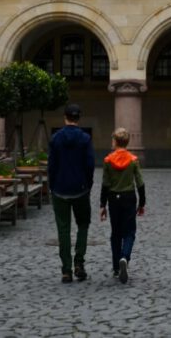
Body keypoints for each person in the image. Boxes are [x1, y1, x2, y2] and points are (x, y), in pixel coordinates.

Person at [48, 103, 95, 284]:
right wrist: (88, 184)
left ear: (65, 117)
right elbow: (90, 165)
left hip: (60, 189)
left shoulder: (56, 138)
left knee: (63, 229)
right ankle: (79, 264)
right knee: (83, 224)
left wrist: (52, 186)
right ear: (79, 118)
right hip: (80, 189)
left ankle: (66, 270)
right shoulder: (85, 139)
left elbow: (52, 166)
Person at [99, 127, 146, 283]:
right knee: (130, 231)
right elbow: (140, 182)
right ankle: (125, 256)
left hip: (113, 198)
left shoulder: (107, 160)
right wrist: (142, 202)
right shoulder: (133, 160)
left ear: (115, 141)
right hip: (128, 197)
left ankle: (116, 266)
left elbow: (105, 183)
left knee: (115, 232)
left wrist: (102, 204)